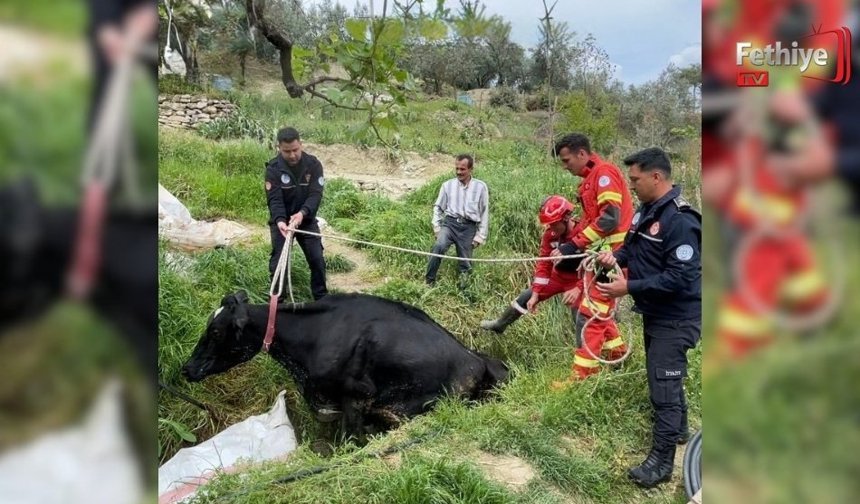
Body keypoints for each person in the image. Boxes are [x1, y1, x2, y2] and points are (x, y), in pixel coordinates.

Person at [595, 147, 701, 488]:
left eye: (636, 179)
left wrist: (629, 287)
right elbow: (632, 246)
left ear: (657, 177)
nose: (632, 186)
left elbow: (681, 277)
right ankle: (680, 429)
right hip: (655, 313)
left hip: (677, 317)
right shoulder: (646, 212)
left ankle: (661, 463)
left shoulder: (680, 220)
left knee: (663, 389)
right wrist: (614, 258)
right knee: (667, 378)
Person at [551, 133, 634, 386]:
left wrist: (573, 245)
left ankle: (582, 377)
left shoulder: (604, 174)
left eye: (567, 160)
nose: (565, 166)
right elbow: (593, 222)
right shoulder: (590, 180)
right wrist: (570, 247)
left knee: (589, 316)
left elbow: (609, 218)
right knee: (600, 313)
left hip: (613, 257)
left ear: (582, 154)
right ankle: (618, 355)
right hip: (601, 257)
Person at [264, 127, 328, 300]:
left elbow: (315, 194)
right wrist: (279, 221)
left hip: (305, 220)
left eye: (295, 150)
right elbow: (274, 200)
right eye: (287, 151)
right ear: (279, 147)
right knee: (279, 264)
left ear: (300, 144)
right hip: (282, 224)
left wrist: (302, 213)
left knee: (317, 260)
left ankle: (321, 300)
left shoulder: (313, 165)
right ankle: (278, 304)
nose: (292, 155)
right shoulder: (273, 169)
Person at [86, 0, 158, 130]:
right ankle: (103, 142)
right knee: (106, 93)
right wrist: (105, 24)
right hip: (111, 15)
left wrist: (151, 10)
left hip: (152, 17)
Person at [425, 154, 489, 287]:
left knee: (465, 261)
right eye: (457, 168)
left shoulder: (481, 187)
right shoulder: (447, 185)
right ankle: (429, 282)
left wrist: (480, 236)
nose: (459, 172)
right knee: (439, 246)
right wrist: (436, 227)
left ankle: (463, 289)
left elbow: (484, 212)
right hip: (450, 223)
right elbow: (438, 207)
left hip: (468, 227)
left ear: (471, 169)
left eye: (463, 169)